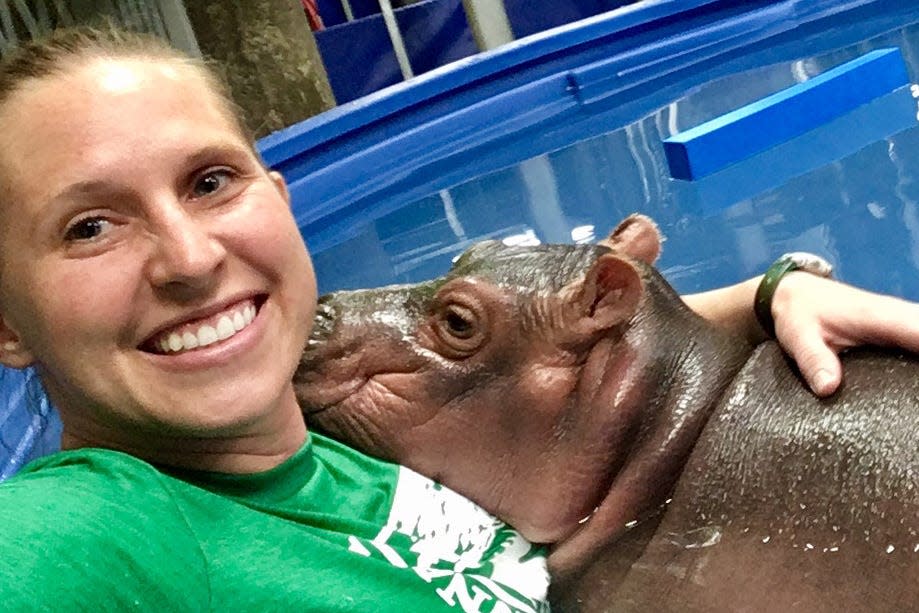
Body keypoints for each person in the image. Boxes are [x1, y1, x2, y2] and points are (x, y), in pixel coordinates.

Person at [0, 25, 918, 611]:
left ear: (277, 201)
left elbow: (546, 366)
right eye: (89, 227)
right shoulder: (101, 529)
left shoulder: (338, 426)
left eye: (210, 182)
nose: (192, 258)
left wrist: (770, 292)